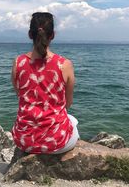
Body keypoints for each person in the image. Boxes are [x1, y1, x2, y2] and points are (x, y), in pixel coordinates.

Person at [11, 12, 79, 154]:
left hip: (24, 140)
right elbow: (68, 103)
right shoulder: (64, 65)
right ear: (52, 35)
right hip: (55, 142)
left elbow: (20, 94)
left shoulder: (18, 62)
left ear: (30, 34)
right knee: (73, 121)